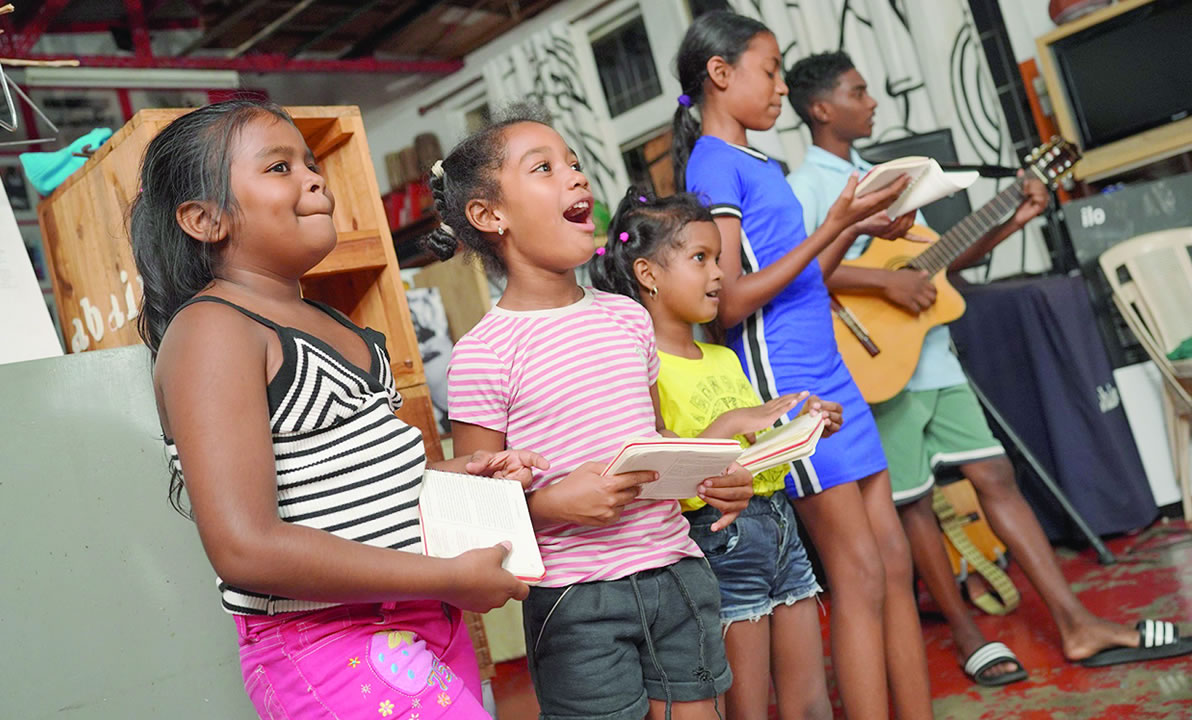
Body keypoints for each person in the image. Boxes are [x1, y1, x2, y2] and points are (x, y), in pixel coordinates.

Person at [785, 49, 1192, 684]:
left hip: (935, 358)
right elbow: (802, 271)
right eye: (858, 92)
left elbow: (931, 263)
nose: (871, 102)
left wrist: (1009, 220)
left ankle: (1076, 622)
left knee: (996, 475)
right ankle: (970, 636)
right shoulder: (807, 188)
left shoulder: (885, 173)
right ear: (820, 108)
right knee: (914, 504)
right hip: (874, 364)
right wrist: (885, 287)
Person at [132, 100, 548, 719]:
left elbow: (344, 484)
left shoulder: (331, 324)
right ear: (204, 218)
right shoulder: (213, 333)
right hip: (329, 642)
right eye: (279, 168)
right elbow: (245, 547)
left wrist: (456, 476)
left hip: (424, 616)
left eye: (310, 161)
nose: (314, 178)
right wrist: (446, 578)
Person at [432, 103, 755, 720]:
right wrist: (553, 504)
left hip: (677, 570)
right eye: (544, 168)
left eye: (575, 164)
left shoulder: (628, 316)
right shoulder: (482, 355)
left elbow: (654, 437)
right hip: (575, 601)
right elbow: (479, 509)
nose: (575, 176)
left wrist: (712, 475)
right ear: (488, 214)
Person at [671, 11, 935, 720]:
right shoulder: (712, 164)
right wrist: (832, 222)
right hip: (788, 387)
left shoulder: (759, 161)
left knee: (892, 566)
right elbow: (729, 302)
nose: (782, 87)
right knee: (856, 573)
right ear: (720, 76)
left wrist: (855, 227)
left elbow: (803, 275)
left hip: (829, 367)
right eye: (770, 70)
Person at [589, 187, 841, 720]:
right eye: (700, 259)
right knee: (747, 705)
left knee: (810, 700)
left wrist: (802, 426)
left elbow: (753, 450)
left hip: (779, 530)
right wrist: (728, 426)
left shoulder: (723, 356)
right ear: (648, 274)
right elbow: (658, 473)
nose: (719, 274)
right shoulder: (642, 365)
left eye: (719, 260)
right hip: (719, 541)